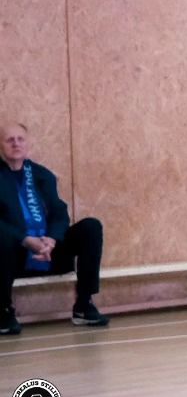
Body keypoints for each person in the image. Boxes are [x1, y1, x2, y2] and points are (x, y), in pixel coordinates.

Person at [0, 122, 108, 335]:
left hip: (49, 252)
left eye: (20, 139)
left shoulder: (42, 175)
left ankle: (84, 305)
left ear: (28, 143)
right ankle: (3, 310)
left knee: (91, 227)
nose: (16, 144)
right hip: (14, 255)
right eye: (9, 140)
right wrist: (25, 239)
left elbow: (59, 212)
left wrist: (51, 239)